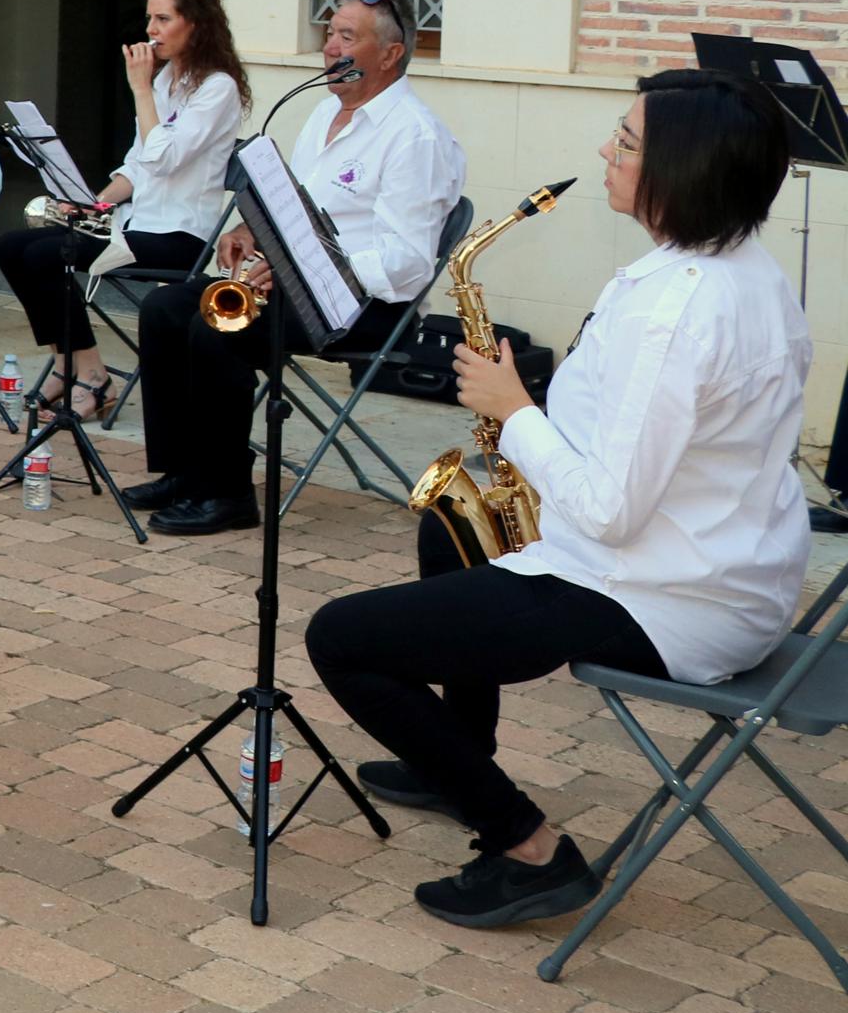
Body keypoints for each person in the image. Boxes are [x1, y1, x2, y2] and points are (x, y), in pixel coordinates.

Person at [306, 69, 808, 930]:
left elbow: (612, 510)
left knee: (340, 639)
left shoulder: (677, 312)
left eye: (626, 141)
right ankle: (458, 760)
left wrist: (516, 411)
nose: (605, 152)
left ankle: (526, 848)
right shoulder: (739, 270)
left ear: (680, 171)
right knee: (447, 536)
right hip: (717, 563)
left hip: (660, 594)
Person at [130, 0, 466, 534]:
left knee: (213, 329)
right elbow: (298, 208)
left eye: (348, 38)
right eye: (329, 34)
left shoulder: (414, 136)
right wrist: (252, 232)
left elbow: (404, 263)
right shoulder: (322, 112)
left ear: (391, 54)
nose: (331, 48)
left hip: (365, 305)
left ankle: (228, 493)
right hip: (302, 281)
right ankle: (186, 472)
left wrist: (305, 265)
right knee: (165, 308)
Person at [0, 0, 248, 423]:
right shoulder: (167, 78)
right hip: (134, 221)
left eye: (163, 19)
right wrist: (96, 203)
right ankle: (69, 363)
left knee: (48, 256)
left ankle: (91, 376)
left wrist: (141, 90)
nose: (150, 31)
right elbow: (137, 166)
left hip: (180, 232)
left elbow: (164, 159)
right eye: (150, 18)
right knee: (12, 246)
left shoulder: (217, 88)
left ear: (195, 24)